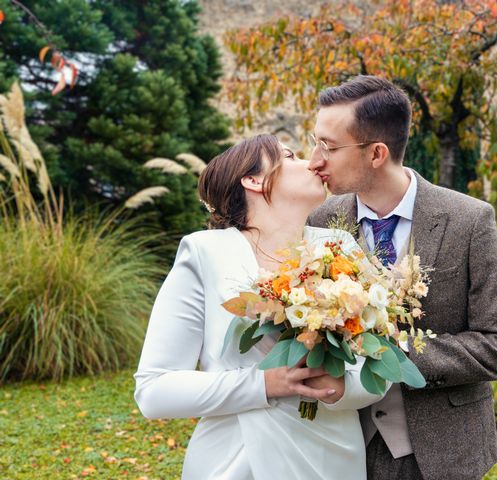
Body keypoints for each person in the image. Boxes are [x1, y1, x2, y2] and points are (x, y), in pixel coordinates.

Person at [307, 75, 497, 480]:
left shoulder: (469, 220)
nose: (314, 160)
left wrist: (396, 357)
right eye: (315, 141)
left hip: (441, 454)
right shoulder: (321, 221)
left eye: (329, 147)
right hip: (343, 447)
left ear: (376, 153)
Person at [134, 134, 383, 480]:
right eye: (290, 156)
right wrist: (263, 385)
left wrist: (340, 388)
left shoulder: (340, 248)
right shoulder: (205, 253)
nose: (312, 162)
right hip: (236, 462)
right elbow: (154, 391)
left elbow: (382, 366)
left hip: (332, 458)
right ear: (253, 180)